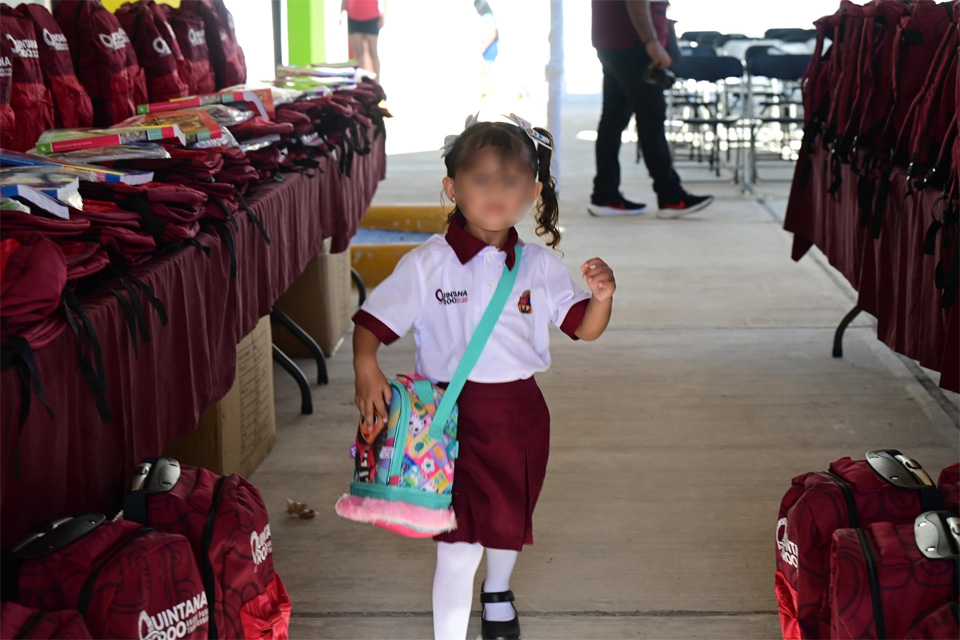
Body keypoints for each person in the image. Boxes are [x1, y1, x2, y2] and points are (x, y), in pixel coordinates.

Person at [351, 117, 616, 640]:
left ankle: (498, 592)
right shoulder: (428, 264)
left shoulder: (539, 266)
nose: (497, 191)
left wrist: (603, 300)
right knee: (457, 544)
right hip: (451, 421)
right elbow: (372, 322)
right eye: (481, 178)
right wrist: (365, 367)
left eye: (512, 180)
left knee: (509, 518)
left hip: (520, 417)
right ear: (452, 187)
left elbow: (582, 329)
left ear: (534, 192)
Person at [589, 0, 714, 218]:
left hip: (613, 40)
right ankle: (671, 196)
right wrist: (652, 42)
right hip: (633, 43)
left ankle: (605, 194)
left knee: (613, 119)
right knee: (651, 118)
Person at [342, 0, 384, 79]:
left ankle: (377, 81)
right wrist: (341, 12)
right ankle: (362, 81)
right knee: (358, 52)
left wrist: (384, 15)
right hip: (353, 17)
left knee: (373, 52)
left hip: (372, 17)